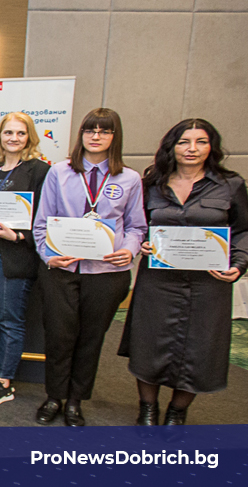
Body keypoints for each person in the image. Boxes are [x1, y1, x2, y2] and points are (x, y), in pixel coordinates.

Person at [119, 119, 246, 426]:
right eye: (183, 142)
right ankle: (147, 409)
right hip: (159, 281)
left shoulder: (230, 184)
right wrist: (141, 242)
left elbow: (244, 230)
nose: (192, 149)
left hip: (208, 284)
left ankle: (177, 411)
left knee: (200, 350)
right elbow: (135, 225)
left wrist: (239, 263)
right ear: (171, 147)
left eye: (201, 142)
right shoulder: (151, 183)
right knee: (150, 345)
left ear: (211, 147)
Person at [32, 108, 146, 427]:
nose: (96, 136)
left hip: (106, 274)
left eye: (104, 131)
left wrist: (129, 250)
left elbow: (137, 226)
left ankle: (75, 400)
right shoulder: (59, 172)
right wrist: (48, 255)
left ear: (115, 137)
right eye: (90, 130)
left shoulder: (130, 178)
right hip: (62, 270)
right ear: (81, 134)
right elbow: (41, 223)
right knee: (59, 336)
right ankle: (54, 396)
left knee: (91, 338)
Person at [0, 113, 51, 407]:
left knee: (10, 319)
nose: (13, 138)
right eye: (8, 133)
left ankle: (5, 381)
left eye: (20, 133)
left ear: (29, 137)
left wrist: (17, 236)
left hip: (16, 256)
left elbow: (45, 216)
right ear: (0, 136)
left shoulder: (39, 171)